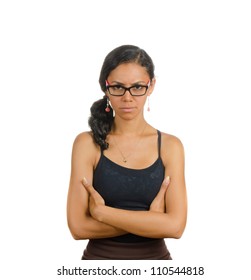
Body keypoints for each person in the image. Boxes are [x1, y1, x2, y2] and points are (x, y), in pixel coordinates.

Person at [67, 45, 187, 260]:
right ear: (105, 88)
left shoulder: (170, 146)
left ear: (151, 87)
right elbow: (78, 227)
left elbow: (175, 227)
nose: (128, 97)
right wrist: (151, 220)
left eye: (138, 87)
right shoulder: (87, 143)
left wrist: (104, 214)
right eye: (118, 87)